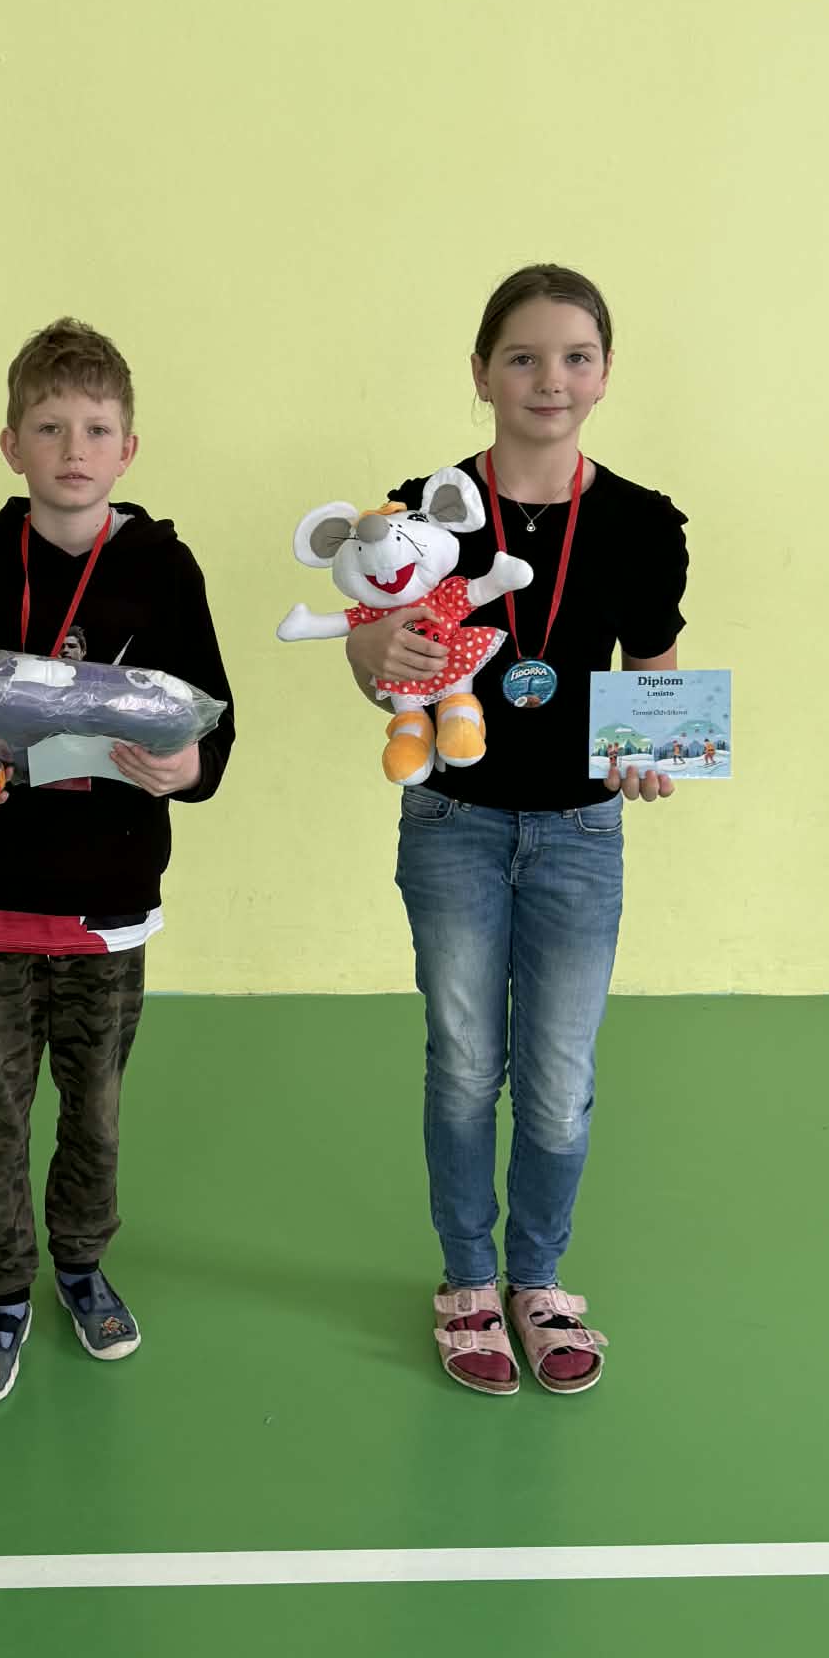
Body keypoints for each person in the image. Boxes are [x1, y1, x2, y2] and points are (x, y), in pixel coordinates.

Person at [345, 265, 687, 1396]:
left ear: (605, 373)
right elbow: (377, 659)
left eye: (576, 357)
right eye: (525, 357)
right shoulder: (423, 507)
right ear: (482, 372)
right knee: (461, 1061)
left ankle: (537, 1279)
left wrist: (655, 752)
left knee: (557, 1072)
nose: (551, 379)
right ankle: (467, 1281)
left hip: (583, 834)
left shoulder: (641, 522)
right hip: (453, 822)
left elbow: (655, 675)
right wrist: (371, 654)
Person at [0, 318, 235, 1403]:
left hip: (109, 901)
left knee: (92, 1106)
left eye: (96, 429)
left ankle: (84, 1267)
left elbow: (214, 723)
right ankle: (5, 1290)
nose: (73, 449)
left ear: (128, 448)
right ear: (12, 444)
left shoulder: (165, 572)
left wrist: (186, 767)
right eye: (49, 427)